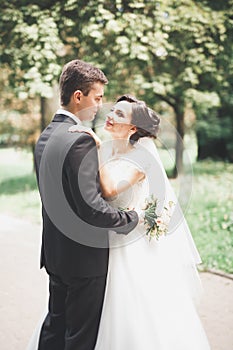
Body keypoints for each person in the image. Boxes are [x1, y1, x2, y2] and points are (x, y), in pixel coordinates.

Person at [69, 94, 211, 349]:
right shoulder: (111, 151)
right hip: (107, 238)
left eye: (120, 115)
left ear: (133, 128)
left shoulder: (141, 160)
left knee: (130, 309)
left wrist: (97, 147)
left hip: (130, 245)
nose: (110, 116)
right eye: (113, 111)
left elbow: (111, 189)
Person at [32, 61, 139, 350]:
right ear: (78, 96)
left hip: (56, 255)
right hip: (84, 258)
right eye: (97, 98)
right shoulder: (79, 140)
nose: (100, 106)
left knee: (54, 330)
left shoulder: (44, 137)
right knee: (79, 338)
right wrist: (132, 219)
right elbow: (91, 208)